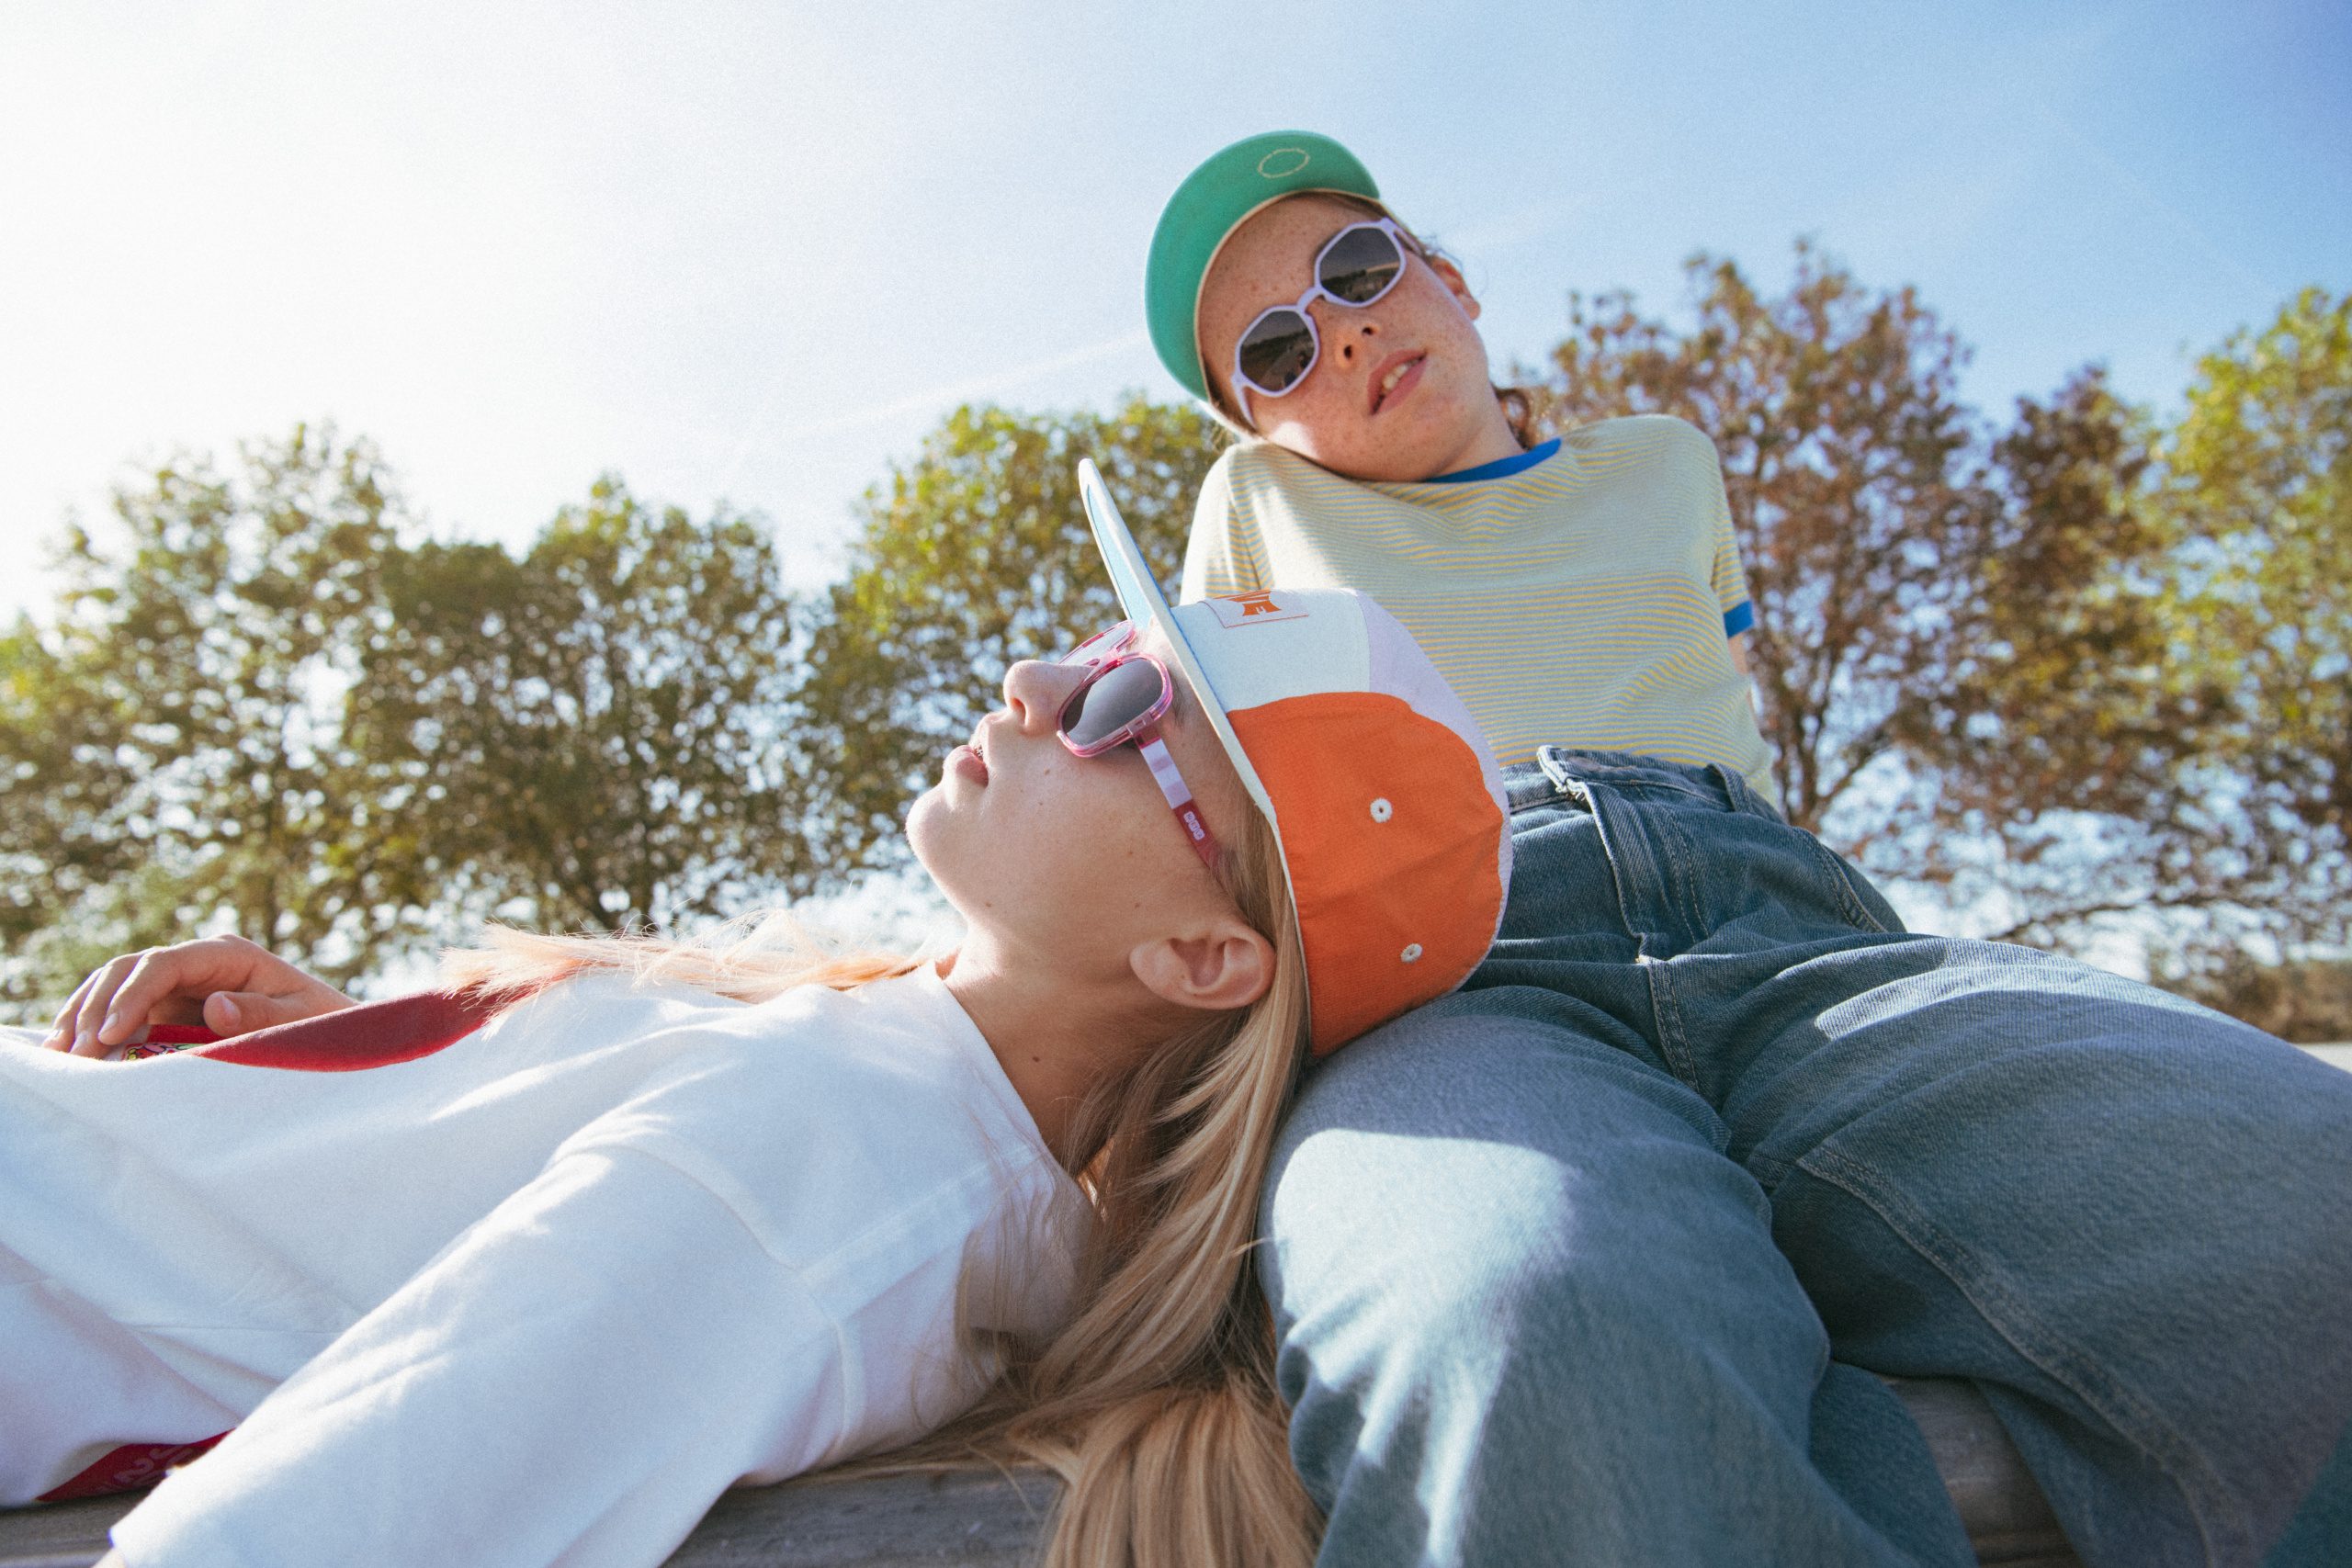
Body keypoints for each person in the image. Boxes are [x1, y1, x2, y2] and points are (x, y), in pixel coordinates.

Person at [1140, 130, 2352, 1567]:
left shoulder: (1665, 465)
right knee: (1519, 1328)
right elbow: (1225, 779)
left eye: (1356, 269)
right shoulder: (1257, 510)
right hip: (1462, 962)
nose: (1338, 332)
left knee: (2298, 1203)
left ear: (1449, 276)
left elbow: (1709, 689)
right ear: (1255, 432)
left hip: (1788, 928)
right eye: (1274, 354)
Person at [2, 537, 1513, 1568]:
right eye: (1096, 645)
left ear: (1202, 958)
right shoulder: (889, 1091)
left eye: (1124, 707)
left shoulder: (843, 1167)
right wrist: (382, 1095)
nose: (1037, 685)